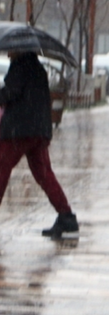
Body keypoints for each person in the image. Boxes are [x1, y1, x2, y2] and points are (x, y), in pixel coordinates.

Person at [0, 51, 78, 239]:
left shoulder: (20, 67)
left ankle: (66, 216)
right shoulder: (38, 68)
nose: (9, 52)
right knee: (44, 174)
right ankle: (66, 216)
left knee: (1, 169)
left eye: (11, 49)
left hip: (18, 131)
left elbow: (9, 93)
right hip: (38, 131)